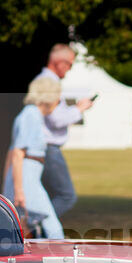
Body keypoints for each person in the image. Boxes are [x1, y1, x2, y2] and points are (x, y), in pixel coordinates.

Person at [34, 43, 93, 218]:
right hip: (49, 148)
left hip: (45, 147)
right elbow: (56, 119)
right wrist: (80, 109)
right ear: (59, 62)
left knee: (50, 195)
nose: (69, 69)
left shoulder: (46, 81)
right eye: (70, 64)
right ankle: (37, 228)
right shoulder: (49, 83)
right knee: (66, 196)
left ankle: (40, 234)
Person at [2, 77, 65, 239]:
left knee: (36, 224)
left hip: (27, 177)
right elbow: (17, 153)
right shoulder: (31, 115)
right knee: (52, 226)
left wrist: (7, 187)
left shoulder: (31, 115)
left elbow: (11, 152)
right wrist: (19, 190)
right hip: (27, 178)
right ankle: (61, 258)